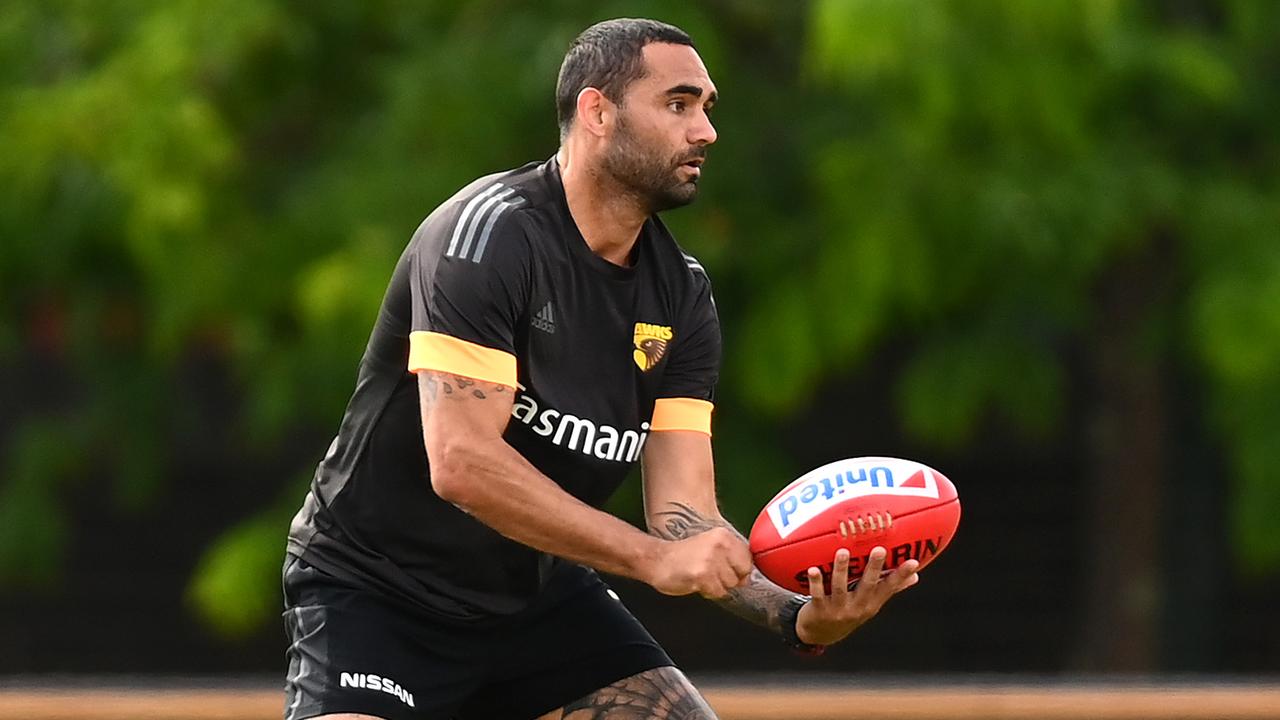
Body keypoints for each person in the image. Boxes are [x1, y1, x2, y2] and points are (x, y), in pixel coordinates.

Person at [282, 17, 920, 720]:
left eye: (707, 109)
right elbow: (461, 461)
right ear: (597, 112)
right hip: (378, 594)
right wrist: (649, 560)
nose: (705, 131)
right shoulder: (486, 238)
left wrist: (798, 618)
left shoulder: (681, 294)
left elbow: (685, 515)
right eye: (679, 105)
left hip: (534, 601)